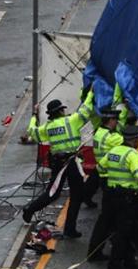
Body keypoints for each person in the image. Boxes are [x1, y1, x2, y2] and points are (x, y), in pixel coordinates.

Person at [23, 94, 95, 238]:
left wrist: (34, 115)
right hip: (73, 163)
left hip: (57, 163)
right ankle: (70, 229)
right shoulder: (72, 121)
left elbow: (32, 131)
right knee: (76, 197)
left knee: (52, 193)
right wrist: (91, 91)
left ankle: (30, 209)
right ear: (61, 111)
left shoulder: (48, 128)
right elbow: (87, 109)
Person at [98, 125, 138, 269]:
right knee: (123, 234)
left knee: (124, 230)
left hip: (112, 197)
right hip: (127, 199)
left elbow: (100, 167)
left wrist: (112, 178)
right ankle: (114, 267)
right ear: (134, 139)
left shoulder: (113, 151)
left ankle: (133, 260)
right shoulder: (133, 155)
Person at [86, 105, 124, 262]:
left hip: (104, 178)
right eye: (116, 120)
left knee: (113, 217)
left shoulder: (99, 134)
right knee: (110, 218)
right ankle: (98, 251)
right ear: (111, 120)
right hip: (112, 181)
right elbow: (127, 139)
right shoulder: (113, 138)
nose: (117, 123)